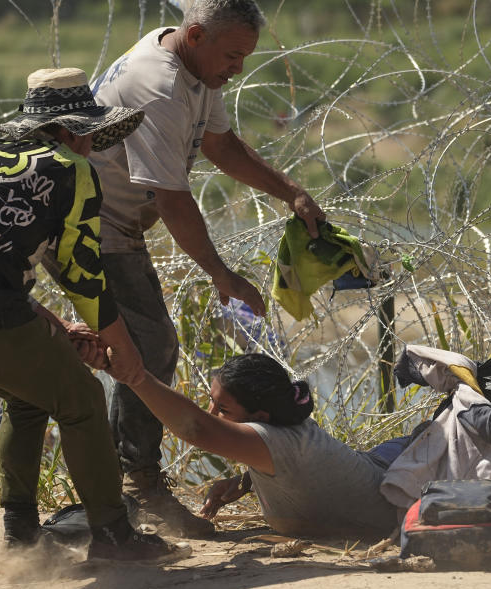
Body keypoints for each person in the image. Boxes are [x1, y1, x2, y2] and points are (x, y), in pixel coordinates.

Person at [0, 67, 186, 564]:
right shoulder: (69, 168)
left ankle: (21, 536)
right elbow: (82, 272)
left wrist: (58, 326)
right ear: (72, 132)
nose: (92, 146)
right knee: (84, 401)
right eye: (90, 135)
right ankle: (114, 536)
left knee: (30, 397)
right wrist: (126, 354)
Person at [86, 0, 327, 537]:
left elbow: (220, 144)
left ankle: (122, 484)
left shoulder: (197, 69)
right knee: (149, 346)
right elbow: (172, 199)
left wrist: (291, 193)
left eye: (245, 56)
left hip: (117, 226)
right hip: (92, 226)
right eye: (233, 54)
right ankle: (138, 489)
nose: (238, 67)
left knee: (140, 345)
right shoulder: (160, 87)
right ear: (195, 35)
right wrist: (223, 275)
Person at [95, 352, 491, 538]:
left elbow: (199, 431)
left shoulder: (269, 440)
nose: (212, 415)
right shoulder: (270, 441)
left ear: (257, 414)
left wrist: (134, 377)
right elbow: (222, 435)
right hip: (386, 471)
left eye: (222, 404)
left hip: (401, 499)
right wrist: (241, 484)